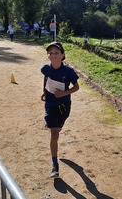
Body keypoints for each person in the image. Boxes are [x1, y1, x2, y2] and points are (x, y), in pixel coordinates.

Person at [40, 42, 79, 178]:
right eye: (50, 53)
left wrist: (63, 94)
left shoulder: (68, 71)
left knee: (59, 128)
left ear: (62, 55)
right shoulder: (45, 68)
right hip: (50, 103)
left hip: (64, 104)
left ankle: (55, 125)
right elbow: (46, 78)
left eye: (56, 52)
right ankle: (55, 165)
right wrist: (44, 92)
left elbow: (76, 87)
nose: (53, 55)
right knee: (54, 133)